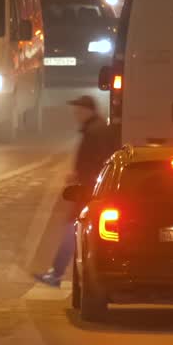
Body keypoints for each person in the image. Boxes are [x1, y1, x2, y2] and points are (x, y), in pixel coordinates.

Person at [37, 95, 117, 287]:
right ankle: (61, 273)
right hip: (92, 188)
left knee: (72, 230)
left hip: (88, 190)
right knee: (78, 231)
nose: (76, 114)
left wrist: (81, 179)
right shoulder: (96, 129)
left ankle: (56, 275)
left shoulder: (94, 131)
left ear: (88, 111)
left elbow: (96, 161)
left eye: (79, 111)